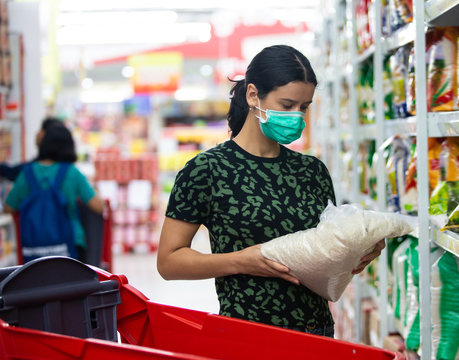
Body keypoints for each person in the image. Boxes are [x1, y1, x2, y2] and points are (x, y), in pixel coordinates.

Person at [157, 45, 385, 337]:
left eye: (304, 107)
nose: (297, 116)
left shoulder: (312, 171)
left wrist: (354, 254)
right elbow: (169, 262)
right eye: (287, 105)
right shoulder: (206, 170)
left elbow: (324, 250)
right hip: (247, 336)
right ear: (253, 95)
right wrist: (241, 260)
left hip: (316, 333)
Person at [4, 126, 105, 262]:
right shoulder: (72, 172)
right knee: (70, 283)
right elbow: (98, 206)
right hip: (70, 247)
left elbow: (8, 208)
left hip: (34, 248)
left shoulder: (27, 173)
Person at [0, 117, 64, 182]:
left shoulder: (35, 168)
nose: (37, 134)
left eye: (41, 131)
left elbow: (13, 173)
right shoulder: (68, 169)